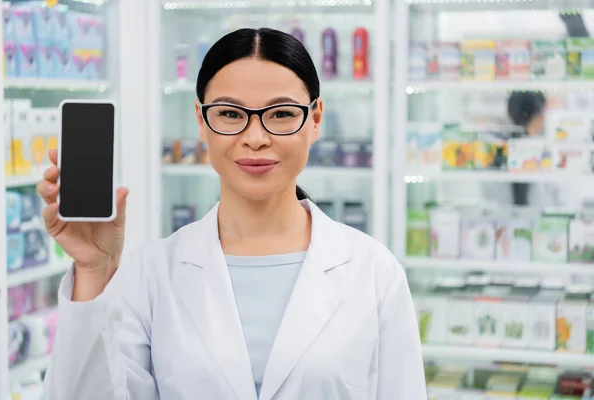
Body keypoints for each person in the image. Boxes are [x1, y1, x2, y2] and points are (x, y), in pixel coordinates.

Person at [38, 28, 426, 400]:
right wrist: (92, 270)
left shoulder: (373, 272)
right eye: (229, 114)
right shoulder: (152, 274)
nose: (255, 137)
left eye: (281, 114)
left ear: (315, 119)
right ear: (201, 121)